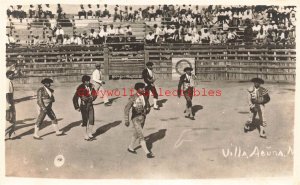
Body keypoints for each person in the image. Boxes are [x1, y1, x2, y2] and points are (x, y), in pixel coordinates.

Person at [124, 82, 155, 158]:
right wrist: (126, 120)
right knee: (141, 135)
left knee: (136, 133)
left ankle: (130, 147)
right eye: (142, 88)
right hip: (135, 119)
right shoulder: (132, 97)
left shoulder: (145, 97)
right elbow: (126, 109)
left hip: (143, 118)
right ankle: (147, 152)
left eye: (144, 88)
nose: (144, 89)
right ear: (138, 89)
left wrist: (147, 110)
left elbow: (148, 106)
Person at [73, 75, 97, 140]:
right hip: (83, 106)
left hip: (90, 105)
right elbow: (75, 98)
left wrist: (93, 97)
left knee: (92, 120)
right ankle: (85, 135)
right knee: (85, 121)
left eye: (88, 81)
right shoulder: (80, 88)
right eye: (86, 81)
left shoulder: (91, 87)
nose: (88, 82)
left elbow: (95, 94)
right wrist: (77, 107)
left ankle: (90, 133)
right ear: (83, 82)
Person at [6, 71, 16, 139]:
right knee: (10, 118)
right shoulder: (8, 82)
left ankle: (11, 134)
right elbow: (7, 94)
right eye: (12, 75)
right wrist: (9, 104)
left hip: (10, 101)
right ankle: (7, 134)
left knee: (12, 118)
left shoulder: (9, 81)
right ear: (9, 75)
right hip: (9, 102)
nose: (13, 76)